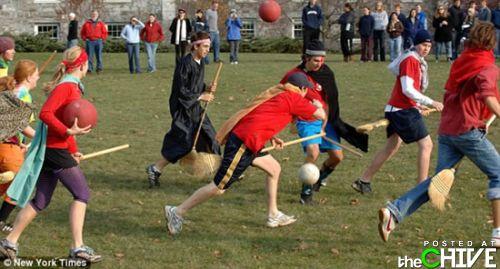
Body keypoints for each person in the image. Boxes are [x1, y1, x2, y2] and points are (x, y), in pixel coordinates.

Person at [378, 22, 500, 246]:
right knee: (499, 174)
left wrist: (478, 115)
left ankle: (393, 213)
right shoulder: (487, 66)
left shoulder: (462, 61)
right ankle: (498, 233)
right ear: (492, 43)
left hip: (447, 130)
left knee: (436, 183)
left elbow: (456, 94)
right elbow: (487, 94)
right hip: (467, 131)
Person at [164, 72, 327, 235]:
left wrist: (272, 137)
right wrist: (318, 106)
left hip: (252, 139)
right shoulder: (294, 98)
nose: (307, 93)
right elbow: (320, 115)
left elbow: (263, 115)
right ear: (302, 89)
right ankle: (177, 211)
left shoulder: (280, 93)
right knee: (218, 187)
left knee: (274, 169)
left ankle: (273, 215)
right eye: (306, 90)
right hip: (245, 142)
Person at [0, 46, 102, 262]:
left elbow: (65, 123)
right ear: (83, 65)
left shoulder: (72, 86)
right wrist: (67, 133)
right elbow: (46, 114)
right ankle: (77, 248)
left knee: (41, 200)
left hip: (57, 148)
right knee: (82, 193)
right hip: (55, 149)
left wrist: (73, 149)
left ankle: (9, 242)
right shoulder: (67, 87)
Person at [352, 30, 444, 194]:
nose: (426, 48)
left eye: (429, 46)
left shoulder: (415, 60)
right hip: (402, 111)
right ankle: (421, 188)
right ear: (416, 44)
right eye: (424, 45)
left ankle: (363, 181)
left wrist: (417, 105)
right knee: (426, 144)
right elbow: (407, 88)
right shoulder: (410, 60)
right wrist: (430, 102)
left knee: (391, 147)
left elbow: (409, 91)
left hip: (399, 108)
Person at [282, 40, 368, 204]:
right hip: (306, 119)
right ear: (306, 58)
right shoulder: (294, 75)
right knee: (313, 152)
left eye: (322, 60)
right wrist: (291, 117)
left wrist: (326, 120)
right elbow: (280, 94)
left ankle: (318, 179)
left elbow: (331, 99)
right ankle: (306, 193)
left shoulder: (326, 72)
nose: (319, 64)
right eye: (315, 60)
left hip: (326, 120)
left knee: (337, 157)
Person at [145, 32, 221, 188]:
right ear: (195, 46)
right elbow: (181, 90)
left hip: (194, 108)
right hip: (182, 109)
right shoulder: (185, 64)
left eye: (209, 47)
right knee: (184, 143)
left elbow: (194, 85)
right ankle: (155, 168)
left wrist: (206, 87)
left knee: (211, 137)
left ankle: (223, 171)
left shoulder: (201, 62)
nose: (208, 50)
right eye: (205, 46)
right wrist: (201, 96)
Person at [0, 60, 39, 233]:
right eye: (36, 74)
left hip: (10, 144)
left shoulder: (14, 92)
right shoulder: (22, 95)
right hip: (7, 146)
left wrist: (21, 142)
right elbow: (21, 124)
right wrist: (41, 137)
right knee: (20, 183)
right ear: (29, 77)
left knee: (11, 181)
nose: (38, 77)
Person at [80, 10, 108, 74]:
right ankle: (89, 69)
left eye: (95, 14)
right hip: (89, 41)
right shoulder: (86, 23)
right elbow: (82, 33)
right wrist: (85, 39)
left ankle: (99, 69)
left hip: (98, 41)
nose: (94, 15)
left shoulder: (100, 23)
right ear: (91, 15)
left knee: (99, 56)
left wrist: (102, 39)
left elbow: (105, 32)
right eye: (93, 14)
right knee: (89, 56)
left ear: (97, 15)